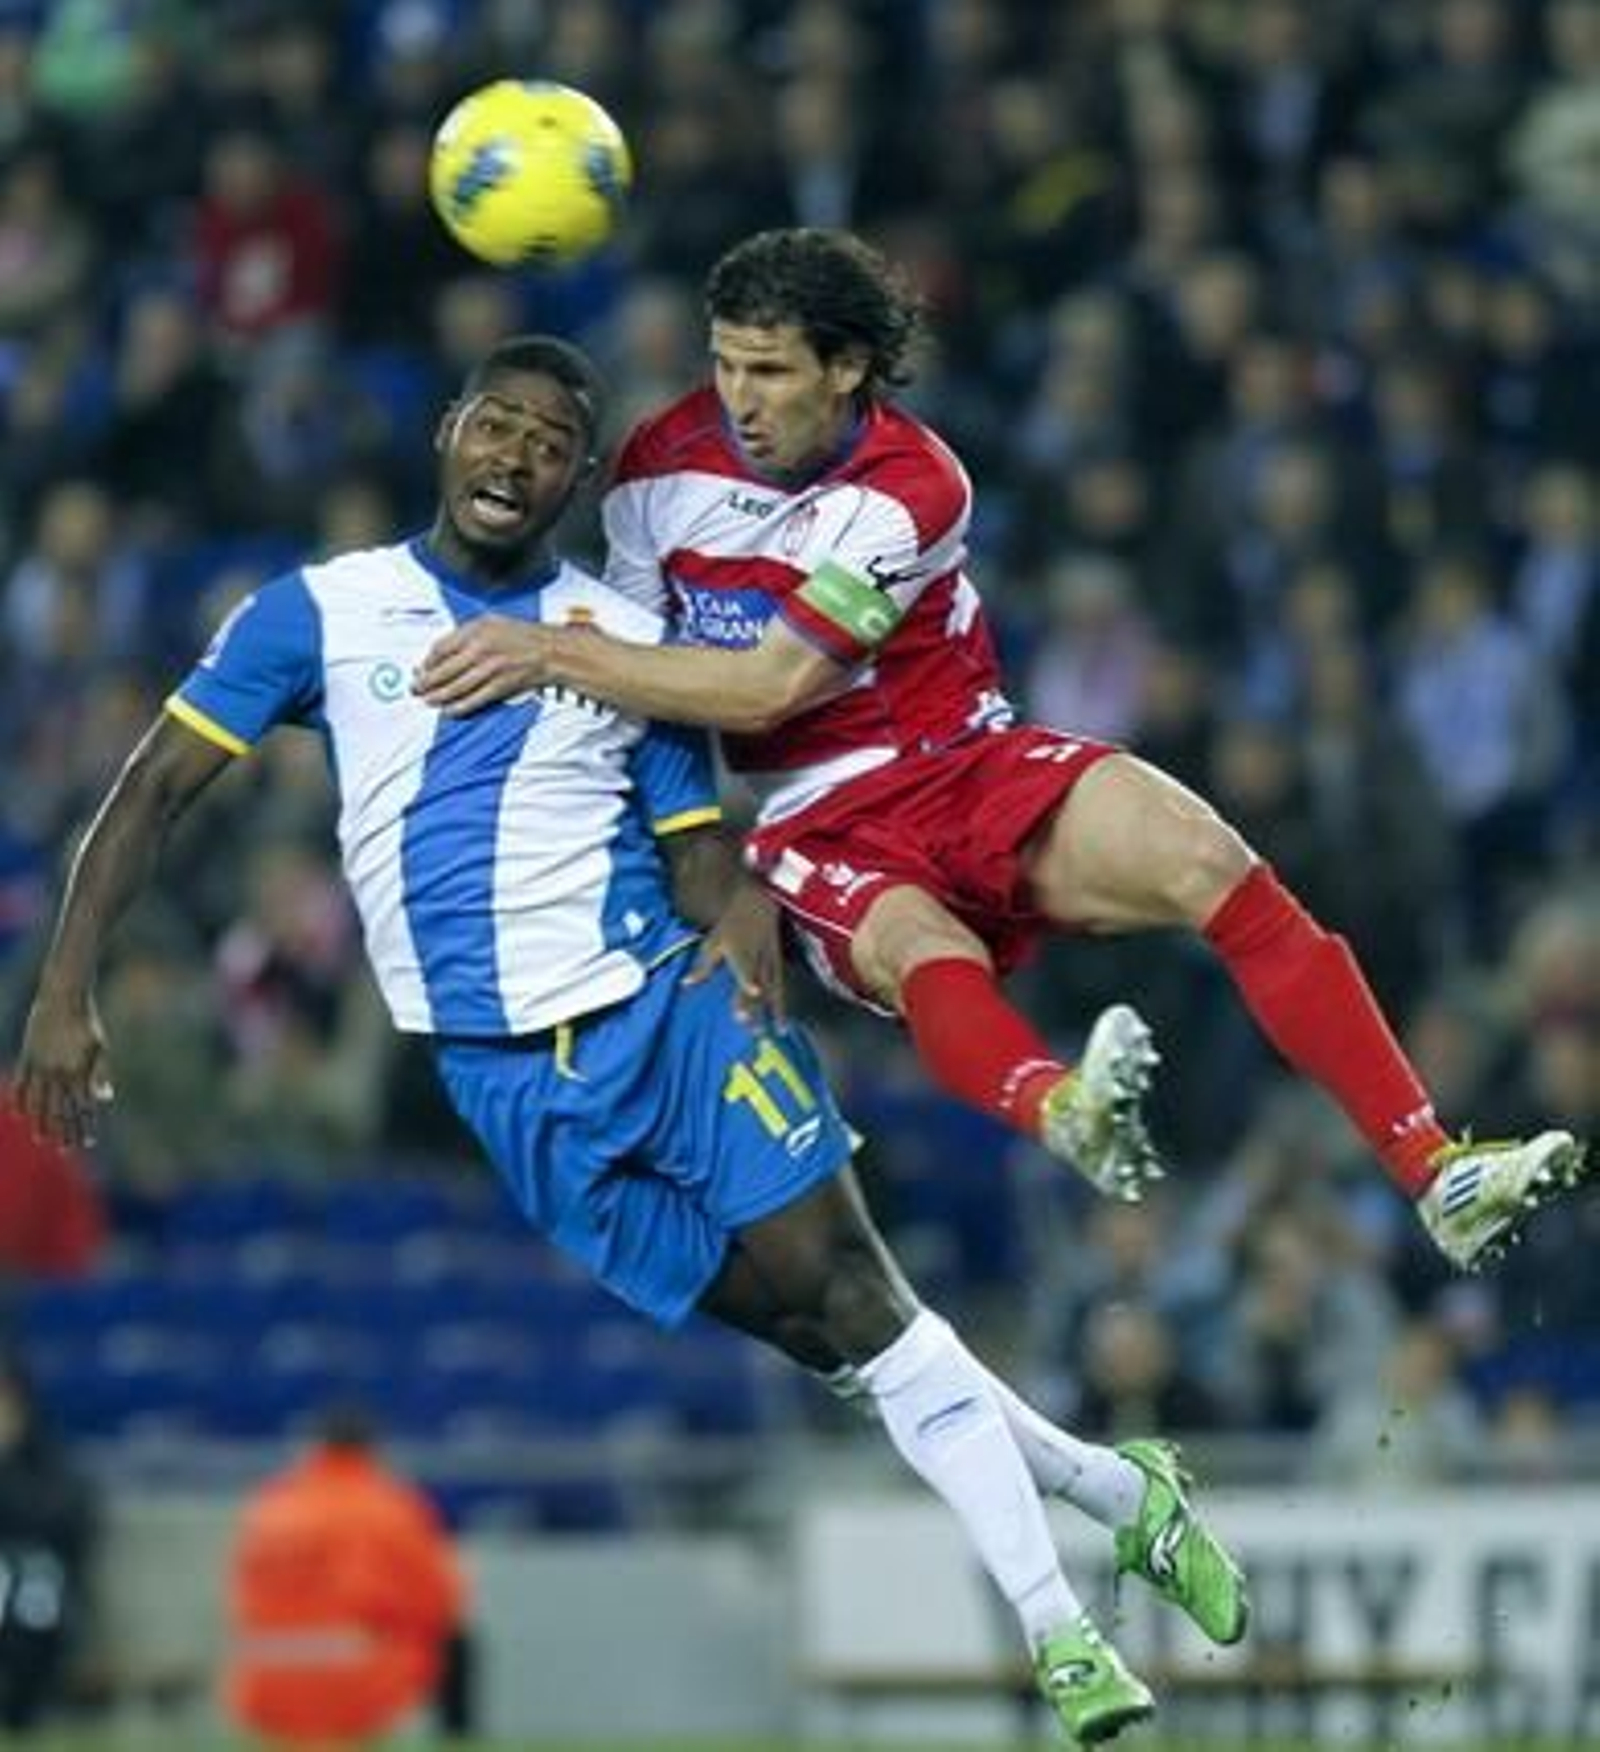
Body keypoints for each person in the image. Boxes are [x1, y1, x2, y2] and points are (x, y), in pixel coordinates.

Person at [15, 334, 1247, 1744]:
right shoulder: (318, 614)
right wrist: (66, 985)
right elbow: (153, 787)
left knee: (856, 1296)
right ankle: (1119, 1490)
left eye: (551, 443)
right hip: (500, 1081)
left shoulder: (623, 645)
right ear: (449, 434)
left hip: (664, 1012)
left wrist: (737, 922)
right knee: (837, 1340)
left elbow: (697, 851)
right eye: (499, 425)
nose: (518, 456)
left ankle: (1063, 1635)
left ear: (577, 479)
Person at [412, 227, 1588, 1273]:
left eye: (769, 370)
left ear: (848, 369)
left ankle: (1433, 1171)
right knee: (923, 941)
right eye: (724, 363)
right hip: (814, 814)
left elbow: (768, 681)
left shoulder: (913, 487)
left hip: (969, 757)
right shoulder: (657, 473)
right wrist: (696, 862)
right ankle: (1060, 1107)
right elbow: (644, 683)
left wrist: (548, 654)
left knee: (1213, 863)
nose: (739, 397)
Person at [223, 1403, 467, 1752]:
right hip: (351, 1676)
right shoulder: (386, 1506)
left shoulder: (271, 1506)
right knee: (450, 1644)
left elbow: (239, 1594)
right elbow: (440, 1601)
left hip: (262, 1676)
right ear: (372, 1450)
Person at [0, 1351, 97, 1731]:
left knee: (34, 1589)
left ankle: (22, 1710)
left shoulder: (47, 1460)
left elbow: (68, 1521)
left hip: (29, 1581)